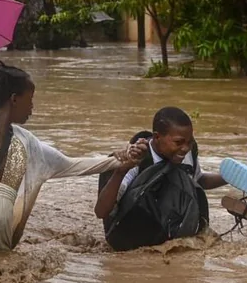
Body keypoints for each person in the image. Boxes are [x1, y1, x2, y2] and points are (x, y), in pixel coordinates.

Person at [0, 62, 147, 266]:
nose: (32, 107)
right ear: (14, 99)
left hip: (2, 247)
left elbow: (72, 165)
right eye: (30, 100)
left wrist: (118, 160)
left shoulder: (28, 143)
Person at [94, 107, 226, 251]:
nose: (185, 148)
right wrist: (120, 171)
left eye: (190, 142)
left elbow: (198, 181)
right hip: (131, 235)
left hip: (167, 231)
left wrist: (229, 178)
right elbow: (101, 212)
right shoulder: (137, 158)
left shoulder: (186, 153)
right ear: (157, 137)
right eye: (178, 142)